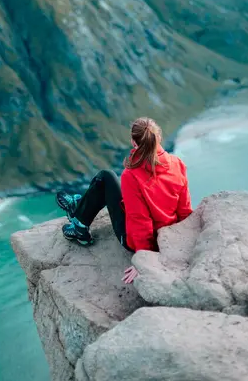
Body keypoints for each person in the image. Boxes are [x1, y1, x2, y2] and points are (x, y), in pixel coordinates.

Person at [56, 117, 193, 284]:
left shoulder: (132, 175)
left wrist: (143, 258)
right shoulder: (177, 164)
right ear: (159, 137)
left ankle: (79, 222)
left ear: (134, 143)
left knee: (106, 177)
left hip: (133, 240)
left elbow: (139, 220)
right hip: (165, 235)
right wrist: (182, 242)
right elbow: (185, 210)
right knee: (108, 179)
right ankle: (78, 210)